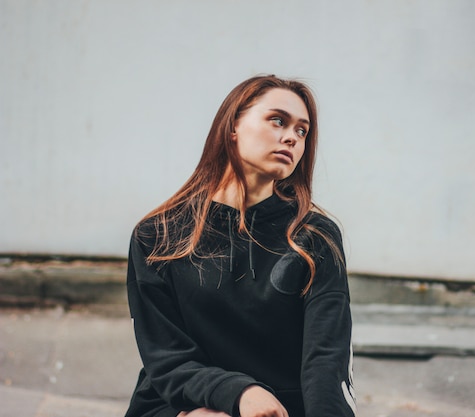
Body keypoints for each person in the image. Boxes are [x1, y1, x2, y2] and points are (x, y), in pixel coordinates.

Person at [124, 75, 356, 417]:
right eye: (278, 120)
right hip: (182, 404)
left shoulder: (315, 237)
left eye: (302, 131)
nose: (291, 136)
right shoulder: (158, 236)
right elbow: (166, 357)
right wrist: (239, 392)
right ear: (233, 126)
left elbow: (326, 359)